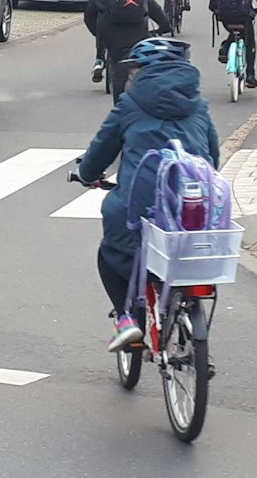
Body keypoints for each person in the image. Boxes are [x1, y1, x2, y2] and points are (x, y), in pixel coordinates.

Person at [71, 37, 219, 351]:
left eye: (135, 70)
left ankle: (126, 319)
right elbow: (213, 158)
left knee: (111, 253)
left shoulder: (130, 103)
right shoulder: (198, 104)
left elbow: (101, 150)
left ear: (142, 71)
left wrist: (86, 174)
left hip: (141, 209)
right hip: (193, 209)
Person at [83, 0, 172, 98]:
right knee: (143, 67)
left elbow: (89, 17)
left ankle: (121, 107)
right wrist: (163, 27)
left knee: (119, 71)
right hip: (139, 36)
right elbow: (155, 10)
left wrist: (99, 34)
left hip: (113, 40)